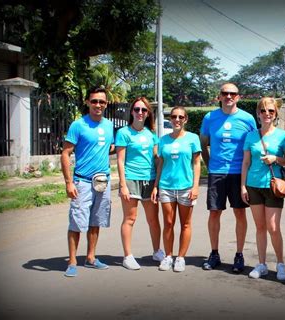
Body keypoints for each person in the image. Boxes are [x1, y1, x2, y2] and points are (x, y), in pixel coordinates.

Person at [200, 83, 257, 272]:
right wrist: (210, 166)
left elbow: (253, 146)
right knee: (214, 212)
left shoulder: (248, 119)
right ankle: (214, 253)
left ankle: (239, 255)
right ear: (220, 96)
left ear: (238, 97)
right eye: (225, 93)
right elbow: (203, 144)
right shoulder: (210, 117)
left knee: (240, 213)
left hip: (239, 174)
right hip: (217, 172)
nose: (229, 96)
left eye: (232, 93)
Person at [61, 85, 114, 277]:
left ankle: (91, 257)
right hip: (82, 182)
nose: (98, 105)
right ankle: (72, 261)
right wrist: (69, 182)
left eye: (101, 101)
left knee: (96, 221)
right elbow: (66, 153)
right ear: (87, 103)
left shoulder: (109, 125)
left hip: (102, 181)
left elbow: (110, 146)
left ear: (106, 104)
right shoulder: (78, 125)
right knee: (76, 222)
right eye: (94, 101)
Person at [241, 97, 285, 280]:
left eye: (271, 111)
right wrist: (243, 187)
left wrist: (275, 159)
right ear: (258, 114)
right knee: (260, 227)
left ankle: (280, 264)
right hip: (253, 186)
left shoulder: (283, 136)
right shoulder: (251, 136)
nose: (267, 114)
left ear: (276, 113)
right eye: (263, 111)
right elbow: (246, 162)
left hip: (273, 185)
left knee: (273, 227)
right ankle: (262, 264)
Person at [115, 97, 164, 270]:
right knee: (130, 218)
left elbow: (157, 158)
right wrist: (122, 184)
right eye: (137, 109)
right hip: (130, 179)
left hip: (150, 180)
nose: (140, 113)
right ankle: (128, 256)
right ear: (132, 112)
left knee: (153, 219)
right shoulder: (123, 133)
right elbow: (120, 161)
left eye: (144, 110)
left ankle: (158, 251)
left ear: (148, 113)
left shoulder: (152, 135)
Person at [151, 106, 201, 272]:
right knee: (168, 223)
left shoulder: (193, 138)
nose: (177, 120)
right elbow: (160, 165)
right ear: (170, 119)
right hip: (166, 187)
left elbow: (196, 163)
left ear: (185, 119)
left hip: (186, 187)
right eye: (174, 117)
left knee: (185, 224)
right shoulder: (163, 140)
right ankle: (168, 256)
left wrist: (195, 186)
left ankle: (180, 258)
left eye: (180, 117)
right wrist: (156, 187)